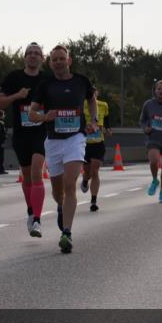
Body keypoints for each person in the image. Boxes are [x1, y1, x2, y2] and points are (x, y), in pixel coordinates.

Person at [27, 45, 98, 253]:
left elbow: (91, 99)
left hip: (75, 138)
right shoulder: (45, 85)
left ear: (69, 61)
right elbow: (32, 114)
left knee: (70, 185)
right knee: (58, 191)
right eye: (54, 59)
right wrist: (44, 117)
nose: (58, 62)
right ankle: (60, 206)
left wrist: (93, 120)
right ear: (50, 63)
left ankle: (66, 233)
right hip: (53, 142)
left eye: (61, 58)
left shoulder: (81, 81)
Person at [0, 42, 47, 237]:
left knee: (36, 172)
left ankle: (37, 220)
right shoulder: (14, 78)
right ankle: (30, 210)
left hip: (41, 132)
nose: (33, 56)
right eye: (29, 53)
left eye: (37, 53)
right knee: (27, 176)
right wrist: (17, 95)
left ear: (42, 58)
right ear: (25, 57)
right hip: (21, 134)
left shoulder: (47, 80)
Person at [81, 89, 110, 212]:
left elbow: (107, 119)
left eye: (94, 92)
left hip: (98, 142)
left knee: (95, 170)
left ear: (97, 93)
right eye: (90, 91)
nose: (92, 94)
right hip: (83, 143)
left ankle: (93, 200)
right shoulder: (80, 104)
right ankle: (85, 179)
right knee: (88, 172)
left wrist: (108, 129)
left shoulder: (103, 105)